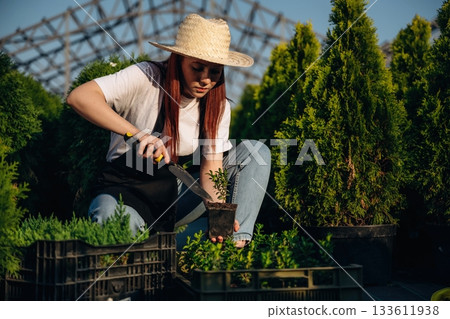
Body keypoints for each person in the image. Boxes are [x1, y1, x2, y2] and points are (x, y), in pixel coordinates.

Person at [67, 13, 271, 248]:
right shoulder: (146, 77)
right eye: (197, 67)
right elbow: (79, 97)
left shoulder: (218, 106)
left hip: (173, 194)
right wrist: (136, 133)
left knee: (255, 152)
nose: (205, 79)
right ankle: (157, 245)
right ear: (178, 60)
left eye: (214, 71)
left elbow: (211, 167)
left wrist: (218, 214)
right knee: (112, 225)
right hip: (127, 190)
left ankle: (231, 249)